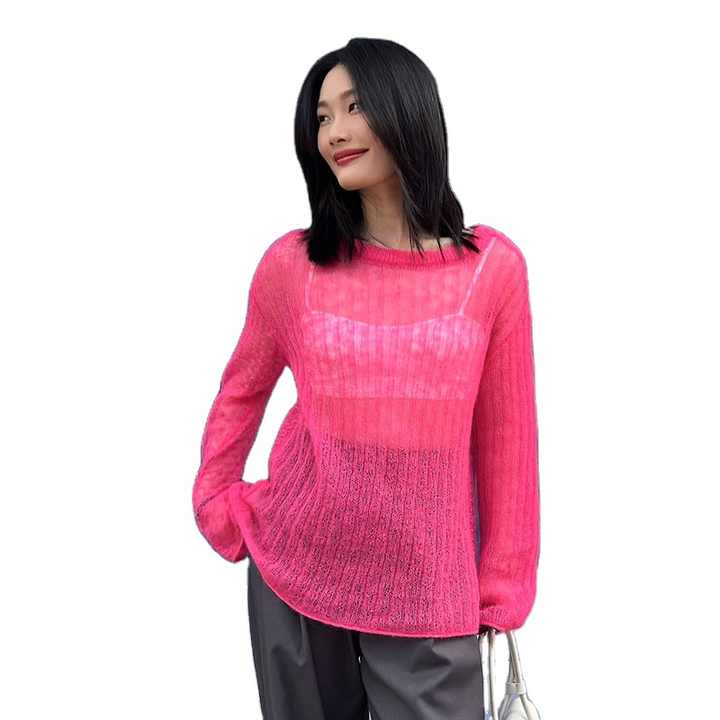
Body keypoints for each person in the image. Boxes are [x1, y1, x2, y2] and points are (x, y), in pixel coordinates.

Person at [192, 37, 541, 720]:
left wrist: (501, 588)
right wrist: (216, 503)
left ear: (406, 109)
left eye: (354, 108)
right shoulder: (292, 266)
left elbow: (508, 439)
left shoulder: (491, 270)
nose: (334, 133)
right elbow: (240, 392)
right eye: (322, 117)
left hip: (430, 591)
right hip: (296, 574)